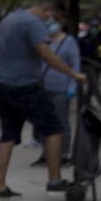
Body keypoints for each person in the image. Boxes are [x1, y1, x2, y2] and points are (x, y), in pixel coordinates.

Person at [0, 0, 89, 201]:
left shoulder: (9, 19)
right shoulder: (33, 23)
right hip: (26, 87)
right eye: (53, 17)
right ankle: (54, 181)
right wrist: (73, 74)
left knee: (7, 136)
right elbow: (47, 55)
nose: (51, 22)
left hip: (2, 86)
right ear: (47, 9)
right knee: (54, 130)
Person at [32, 17, 80, 166]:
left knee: (61, 122)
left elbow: (75, 65)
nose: (49, 24)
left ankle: (64, 154)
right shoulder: (42, 41)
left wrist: (72, 86)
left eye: (52, 21)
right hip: (43, 87)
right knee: (41, 122)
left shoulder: (69, 42)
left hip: (62, 89)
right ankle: (46, 153)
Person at [79, 19, 101, 110]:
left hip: (99, 64)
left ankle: (87, 102)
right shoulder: (85, 39)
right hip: (89, 64)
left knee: (92, 85)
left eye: (96, 27)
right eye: (93, 27)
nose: (94, 29)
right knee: (94, 84)